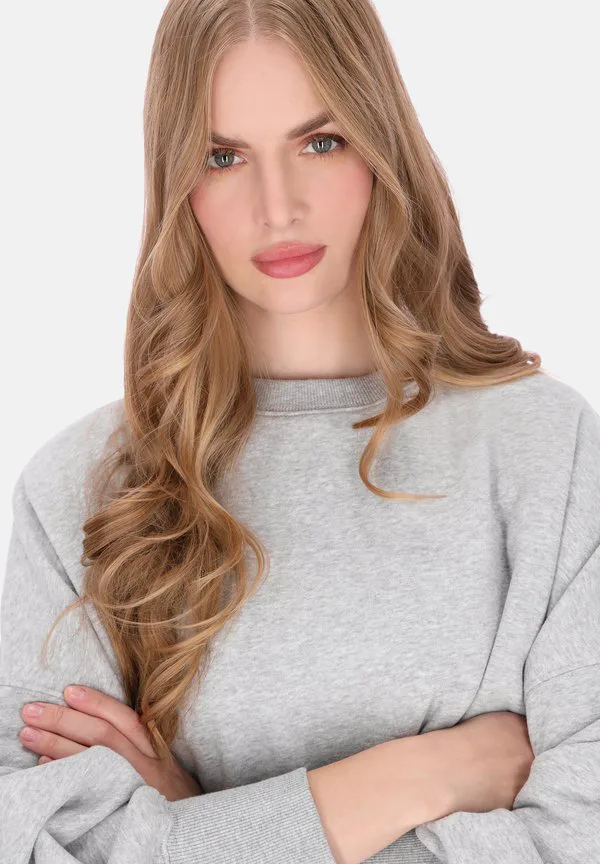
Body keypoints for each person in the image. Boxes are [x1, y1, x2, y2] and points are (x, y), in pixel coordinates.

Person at [1, 1, 599, 862]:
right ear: (176, 183)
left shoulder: (547, 452)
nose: (277, 207)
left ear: (379, 144)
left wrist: (196, 827)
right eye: (222, 157)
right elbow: (39, 845)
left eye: (321, 142)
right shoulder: (84, 491)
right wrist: (424, 774)